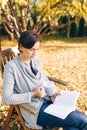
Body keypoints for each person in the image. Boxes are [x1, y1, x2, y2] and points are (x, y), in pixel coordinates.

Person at [2, 30, 87, 130]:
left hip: (50, 103)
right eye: (31, 49)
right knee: (82, 120)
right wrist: (33, 94)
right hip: (34, 109)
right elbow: (6, 98)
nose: (35, 53)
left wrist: (52, 94)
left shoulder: (35, 60)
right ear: (21, 47)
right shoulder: (11, 68)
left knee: (74, 127)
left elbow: (44, 80)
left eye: (37, 49)